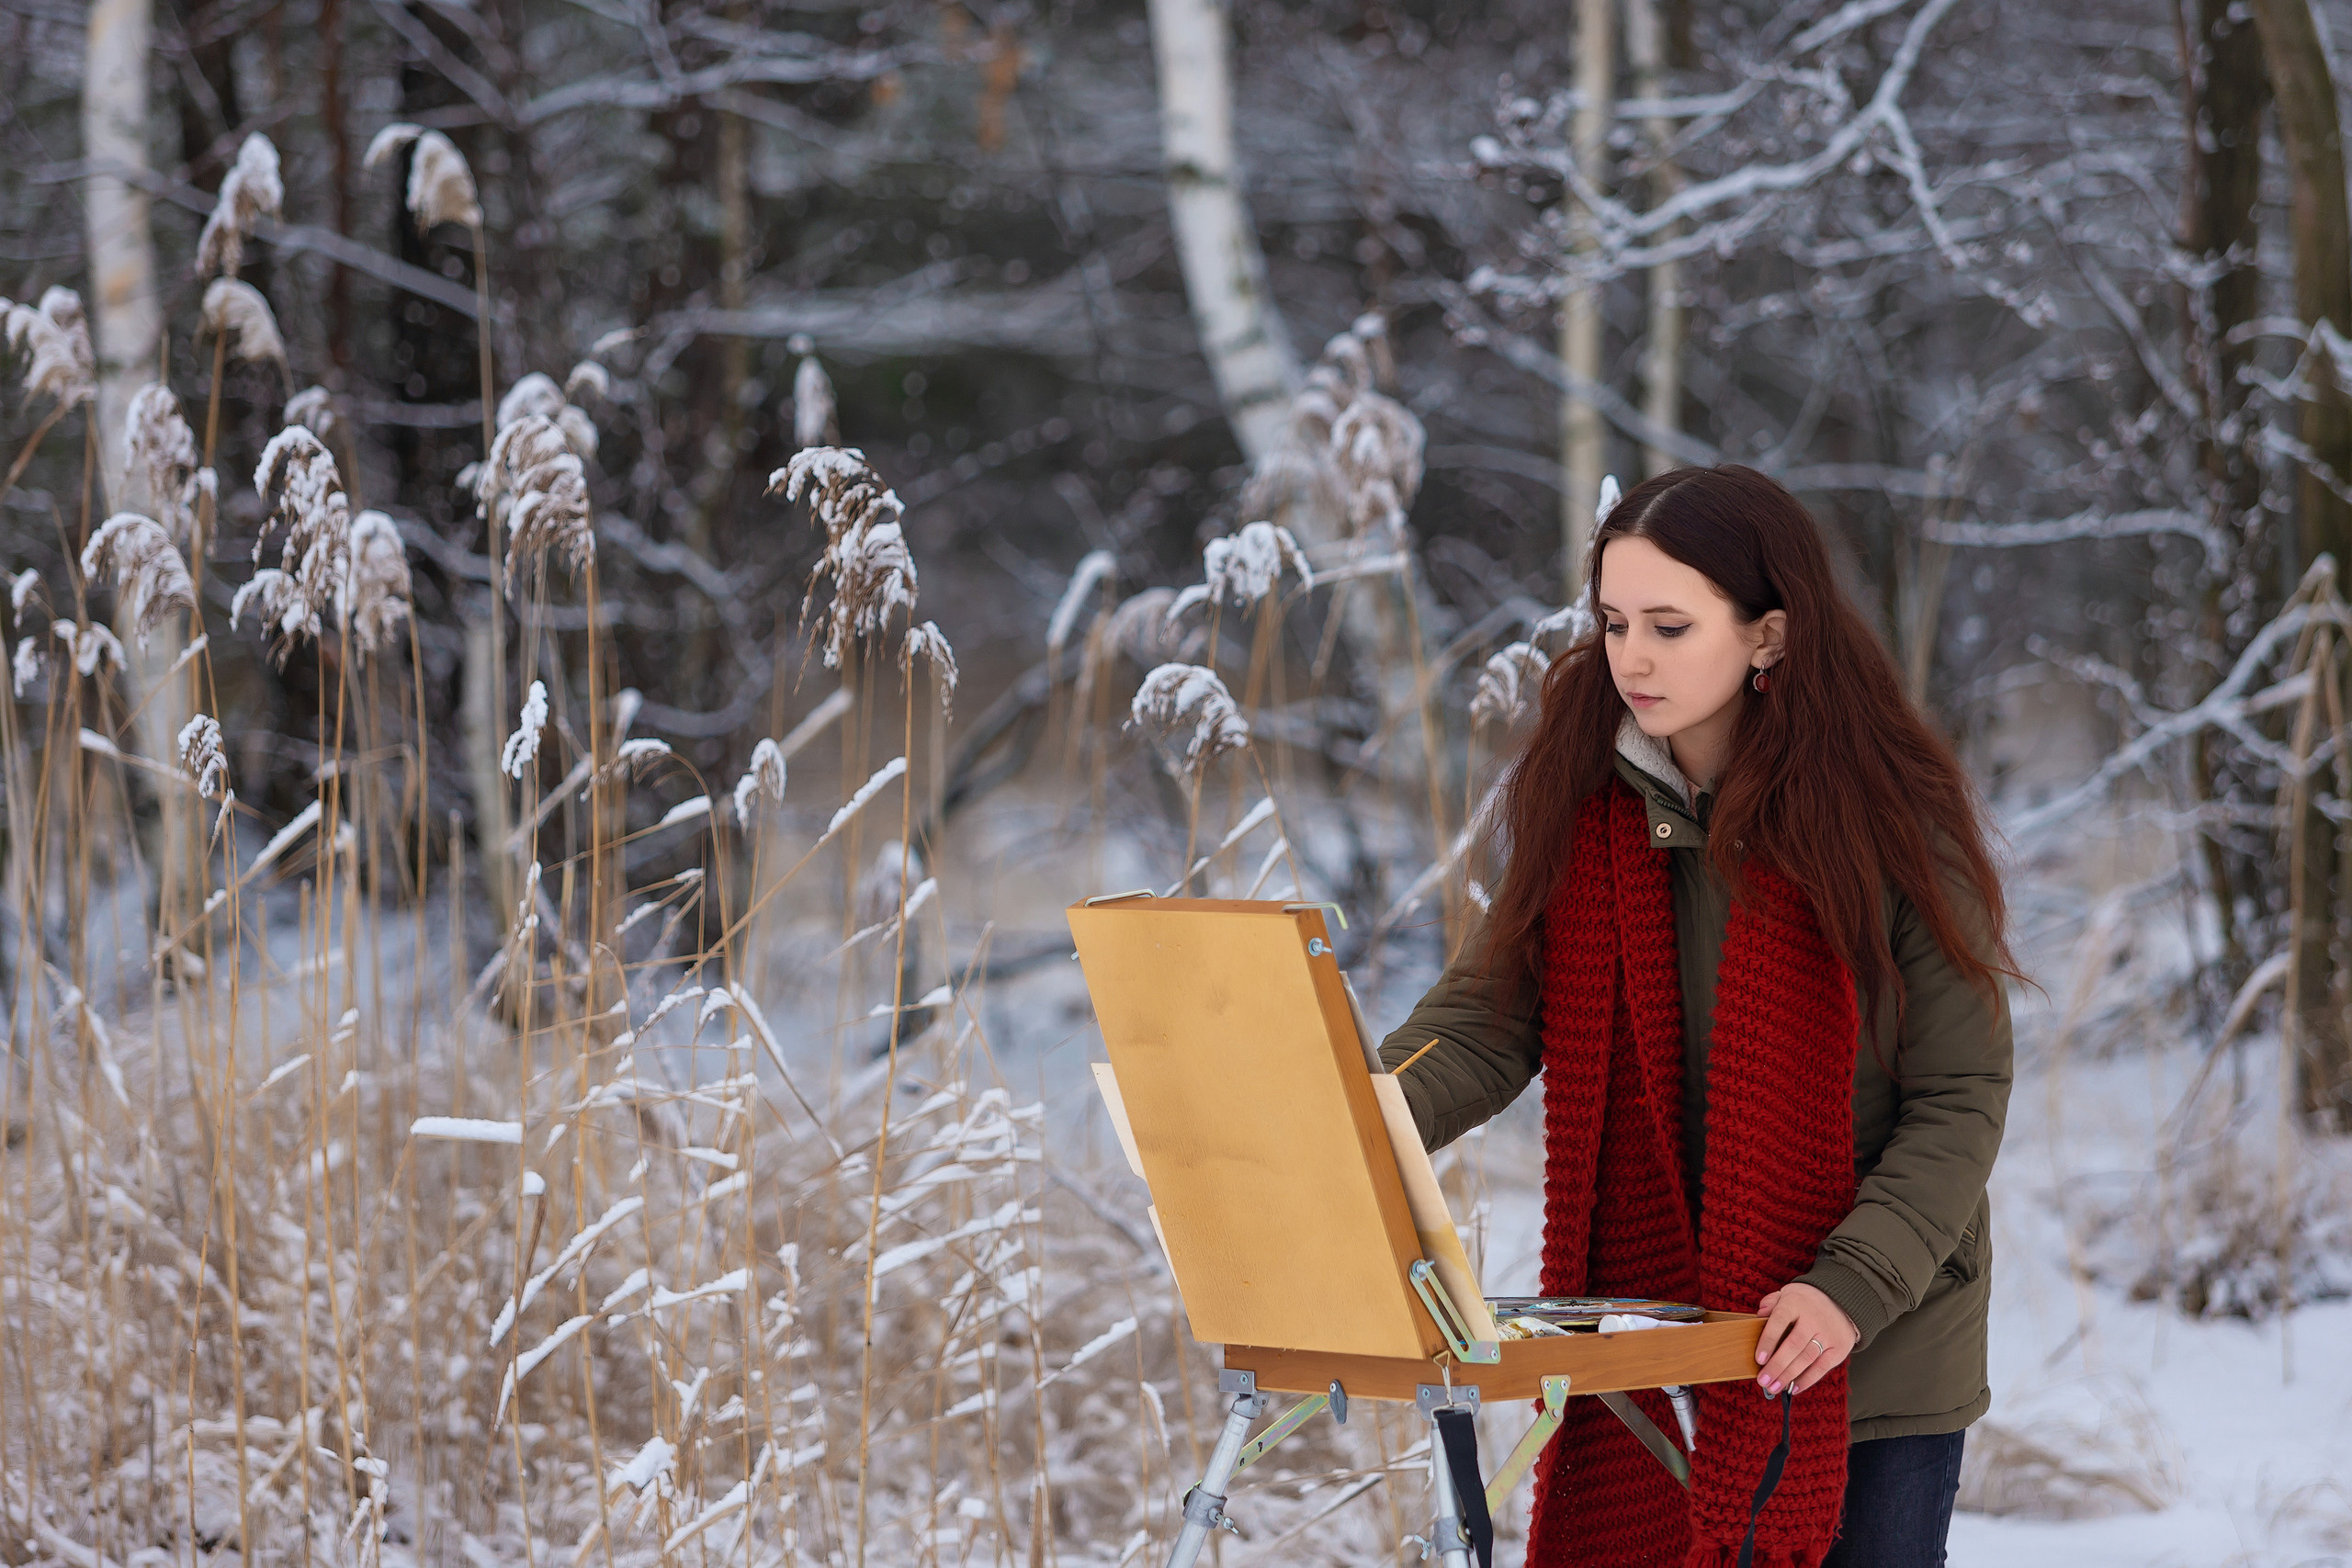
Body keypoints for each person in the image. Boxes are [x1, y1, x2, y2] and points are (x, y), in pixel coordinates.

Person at [1378, 465, 2014, 1568]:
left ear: (1768, 635)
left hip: (1870, 1337)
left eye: (1670, 626)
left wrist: (1848, 1287)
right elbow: (1487, 1021)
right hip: (1662, 1330)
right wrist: (1349, 1121)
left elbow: (1959, 1091)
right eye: (1614, 622)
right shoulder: (1583, 796)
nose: (1632, 657)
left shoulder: (1886, 822)